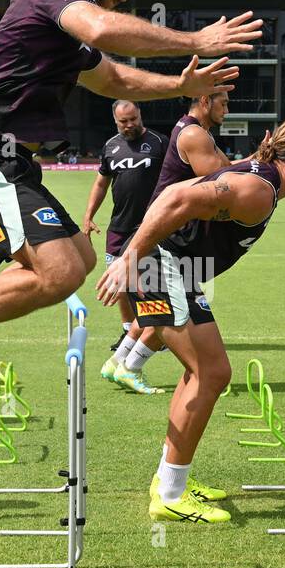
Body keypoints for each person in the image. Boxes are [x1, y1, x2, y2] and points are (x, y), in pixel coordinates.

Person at [0, 0, 260, 404]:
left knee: (79, 260)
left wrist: (181, 88)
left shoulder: (64, 31)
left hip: (12, 163)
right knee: (59, 272)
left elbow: (113, 81)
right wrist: (194, 41)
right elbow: (103, 27)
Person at [95, 117, 285, 524]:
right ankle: (169, 494)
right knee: (211, 373)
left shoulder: (261, 179)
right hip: (158, 266)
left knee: (203, 373)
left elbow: (173, 189)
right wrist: (131, 259)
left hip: (171, 268)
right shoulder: (257, 190)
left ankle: (169, 481)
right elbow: (174, 201)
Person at [82, 100, 168, 394]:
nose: (129, 125)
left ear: (140, 115)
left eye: (132, 119)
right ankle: (132, 339)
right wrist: (89, 215)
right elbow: (100, 184)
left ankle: (132, 345)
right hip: (119, 230)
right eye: (123, 122)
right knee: (124, 289)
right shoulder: (111, 147)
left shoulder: (159, 143)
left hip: (149, 231)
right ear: (116, 122)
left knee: (147, 293)